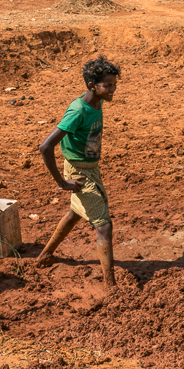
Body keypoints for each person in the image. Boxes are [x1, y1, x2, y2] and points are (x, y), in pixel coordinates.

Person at [35, 56, 121, 289]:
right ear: (92, 86)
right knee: (103, 225)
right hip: (79, 171)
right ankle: (110, 285)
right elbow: (45, 146)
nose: (113, 89)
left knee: (76, 212)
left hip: (91, 168)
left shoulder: (97, 101)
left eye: (115, 84)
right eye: (108, 85)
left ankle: (45, 255)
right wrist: (62, 182)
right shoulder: (78, 111)